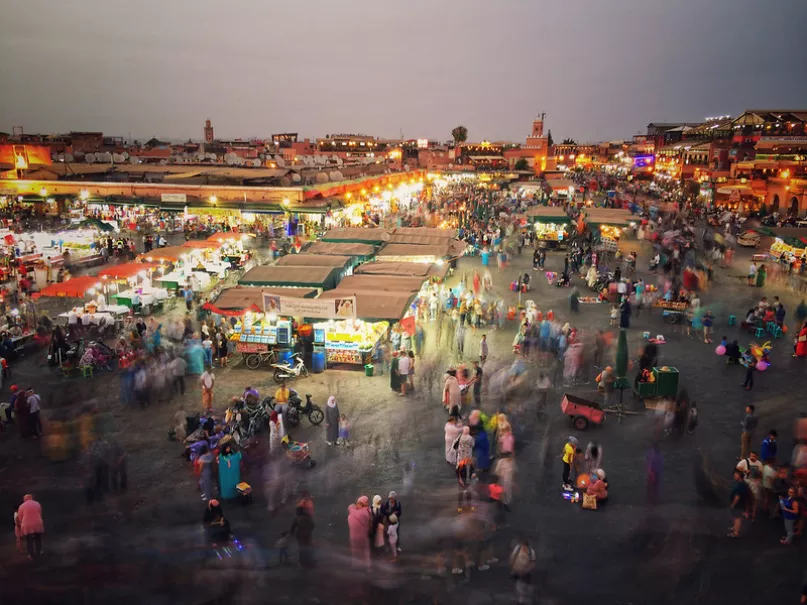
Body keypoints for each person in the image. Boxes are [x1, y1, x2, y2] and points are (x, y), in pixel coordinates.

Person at [736, 452, 764, 521]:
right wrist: (745, 470)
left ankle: (753, 514)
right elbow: (737, 467)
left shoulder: (759, 463)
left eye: (754, 456)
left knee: (755, 498)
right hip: (747, 481)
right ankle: (747, 511)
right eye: (751, 456)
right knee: (747, 497)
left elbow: (761, 473)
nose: (752, 457)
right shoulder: (745, 461)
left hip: (755, 483)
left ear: (757, 457)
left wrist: (759, 479)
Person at [509, 537, 536, 605]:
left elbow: (533, 562)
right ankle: (520, 599)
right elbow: (512, 557)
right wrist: (512, 566)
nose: (524, 548)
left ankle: (524, 597)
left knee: (523, 584)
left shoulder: (531, 551)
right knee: (518, 585)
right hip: (517, 569)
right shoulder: (518, 548)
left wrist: (526, 570)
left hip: (525, 571)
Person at [347, 496, 372, 571]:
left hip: (354, 537)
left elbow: (350, 508)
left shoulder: (352, 513)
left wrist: (352, 507)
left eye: (358, 503)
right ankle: (367, 567)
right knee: (365, 551)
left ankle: (356, 566)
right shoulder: (367, 512)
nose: (357, 505)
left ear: (362, 504)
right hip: (363, 536)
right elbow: (369, 525)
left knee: (356, 552)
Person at [17, 494, 44, 560]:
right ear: (31, 498)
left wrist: (20, 525)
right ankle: (39, 552)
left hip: (27, 525)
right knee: (38, 539)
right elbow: (40, 513)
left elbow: (20, 517)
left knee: (29, 540)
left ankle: (31, 555)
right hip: (37, 523)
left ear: (24, 499)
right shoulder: (37, 504)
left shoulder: (21, 506)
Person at [728, 469, 751, 538]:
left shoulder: (739, 486)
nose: (734, 476)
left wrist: (733, 505)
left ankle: (735, 533)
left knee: (737, 518)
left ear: (739, 476)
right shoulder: (743, 484)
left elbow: (737, 497)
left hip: (738, 505)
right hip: (742, 504)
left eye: (735, 475)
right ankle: (735, 527)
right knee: (736, 517)